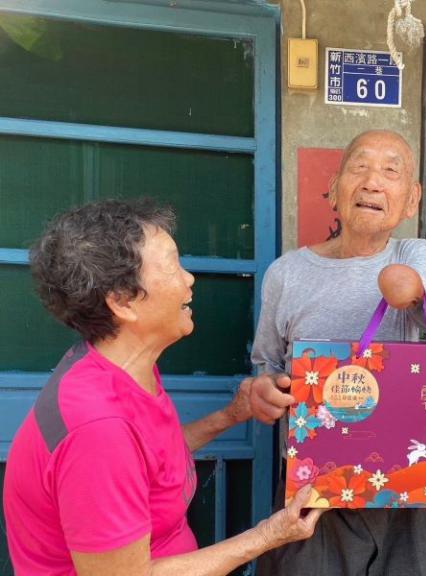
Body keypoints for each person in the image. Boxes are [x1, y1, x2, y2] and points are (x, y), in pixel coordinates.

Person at [2, 199, 322, 576]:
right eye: (172, 266)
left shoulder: (117, 368)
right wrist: (270, 534)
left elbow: (151, 460)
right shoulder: (98, 429)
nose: (189, 279)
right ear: (122, 302)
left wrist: (232, 414)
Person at [249, 129, 426, 575]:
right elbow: (266, 364)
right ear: (333, 190)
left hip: (402, 485)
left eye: (391, 172)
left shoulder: (416, 252)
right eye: (359, 167)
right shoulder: (285, 273)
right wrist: (265, 389)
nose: (372, 182)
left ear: (412, 200)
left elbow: (404, 290)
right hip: (312, 487)